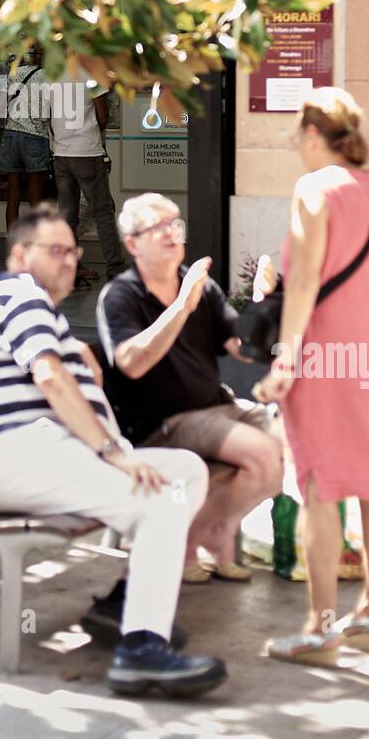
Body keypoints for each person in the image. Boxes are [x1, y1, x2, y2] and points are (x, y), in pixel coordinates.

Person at [0, 203, 227, 698]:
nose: (68, 261)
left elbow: (59, 372)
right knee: (160, 497)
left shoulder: (37, 308)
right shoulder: (21, 295)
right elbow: (49, 377)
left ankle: (127, 605)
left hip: (38, 450)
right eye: (55, 251)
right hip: (18, 451)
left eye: (72, 252)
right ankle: (140, 651)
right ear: (19, 256)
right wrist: (113, 451)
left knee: (186, 470)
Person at [251, 89, 369, 666]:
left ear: (311, 134)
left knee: (322, 490)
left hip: (326, 355)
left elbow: (300, 286)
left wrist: (285, 360)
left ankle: (322, 629)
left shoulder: (314, 188)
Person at [97, 193, 283, 584]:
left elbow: (241, 348)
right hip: (164, 422)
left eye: (175, 225)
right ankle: (191, 542)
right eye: (158, 227)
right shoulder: (121, 295)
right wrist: (181, 306)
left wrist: (265, 302)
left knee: (293, 442)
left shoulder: (200, 286)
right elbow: (131, 363)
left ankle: (213, 533)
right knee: (262, 452)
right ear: (132, 244)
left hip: (216, 408)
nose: (171, 234)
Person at [51, 75, 123, 287]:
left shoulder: (52, 76)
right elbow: (103, 115)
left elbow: (47, 116)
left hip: (61, 153)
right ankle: (115, 267)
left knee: (67, 216)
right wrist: (90, 136)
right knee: (102, 212)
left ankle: (68, 269)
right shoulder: (91, 75)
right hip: (87, 152)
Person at [0, 47, 52, 230]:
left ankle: (13, 245)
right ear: (39, 58)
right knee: (36, 196)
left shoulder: (13, 74)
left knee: (13, 195)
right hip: (35, 136)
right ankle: (36, 244)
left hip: (11, 136)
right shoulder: (47, 76)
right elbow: (52, 109)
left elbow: (1, 107)